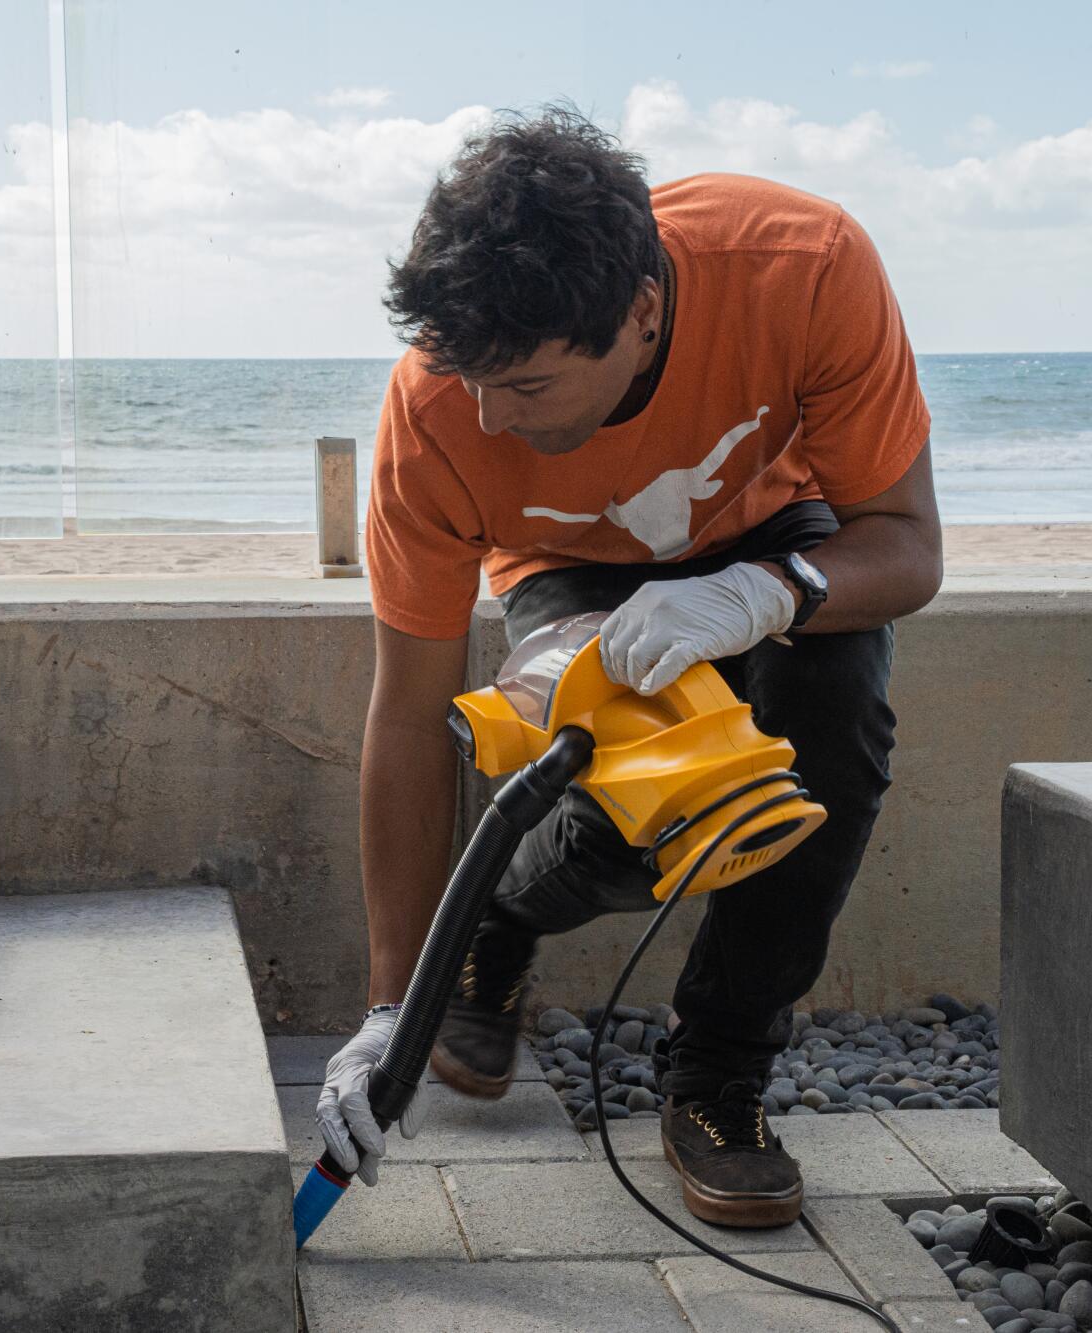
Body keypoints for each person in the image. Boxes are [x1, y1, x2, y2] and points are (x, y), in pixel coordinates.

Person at [315, 105, 941, 1228]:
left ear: (641, 314)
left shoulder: (803, 267)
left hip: (769, 527)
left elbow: (905, 542)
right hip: (561, 566)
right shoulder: (438, 408)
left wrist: (762, 593)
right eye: (467, 380)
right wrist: (387, 1008)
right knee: (622, 793)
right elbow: (408, 714)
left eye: (527, 389)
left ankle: (717, 1075)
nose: (487, 421)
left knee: (829, 731)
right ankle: (493, 923)